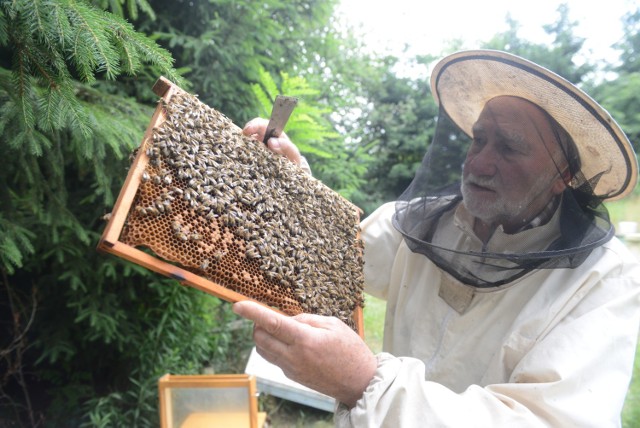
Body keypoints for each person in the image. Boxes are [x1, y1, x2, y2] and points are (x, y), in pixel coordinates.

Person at [233, 50, 640, 426]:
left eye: (510, 148)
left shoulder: (605, 280)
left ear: (563, 174)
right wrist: (292, 185)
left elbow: (548, 421)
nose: (479, 162)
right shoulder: (422, 221)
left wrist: (365, 381)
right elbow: (331, 254)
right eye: (479, 139)